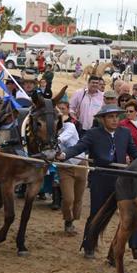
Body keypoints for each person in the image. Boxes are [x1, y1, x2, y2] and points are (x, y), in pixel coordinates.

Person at [59, 104, 137, 259]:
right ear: (102, 119)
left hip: (121, 178)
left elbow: (135, 153)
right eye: (110, 117)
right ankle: (89, 245)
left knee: (131, 212)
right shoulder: (93, 134)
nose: (114, 120)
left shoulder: (124, 133)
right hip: (101, 177)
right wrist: (64, 154)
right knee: (97, 213)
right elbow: (79, 147)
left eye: (116, 116)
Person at [57, 100, 87, 235]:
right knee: (68, 198)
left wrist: (53, 140)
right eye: (58, 109)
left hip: (80, 164)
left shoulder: (70, 126)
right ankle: (67, 220)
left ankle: (72, 221)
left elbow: (62, 139)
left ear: (68, 110)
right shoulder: (52, 128)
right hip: (65, 167)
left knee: (79, 197)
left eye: (63, 109)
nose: (60, 111)